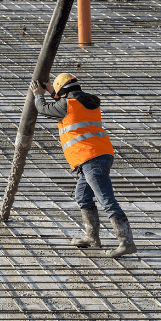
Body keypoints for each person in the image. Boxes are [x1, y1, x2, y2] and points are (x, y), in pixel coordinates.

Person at [30, 73, 136, 258]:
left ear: (63, 92)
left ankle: (126, 242)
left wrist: (39, 94)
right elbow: (68, 102)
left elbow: (43, 108)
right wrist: (53, 91)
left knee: (106, 200)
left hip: (91, 158)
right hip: (99, 155)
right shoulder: (89, 102)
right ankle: (92, 238)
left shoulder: (66, 105)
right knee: (82, 196)